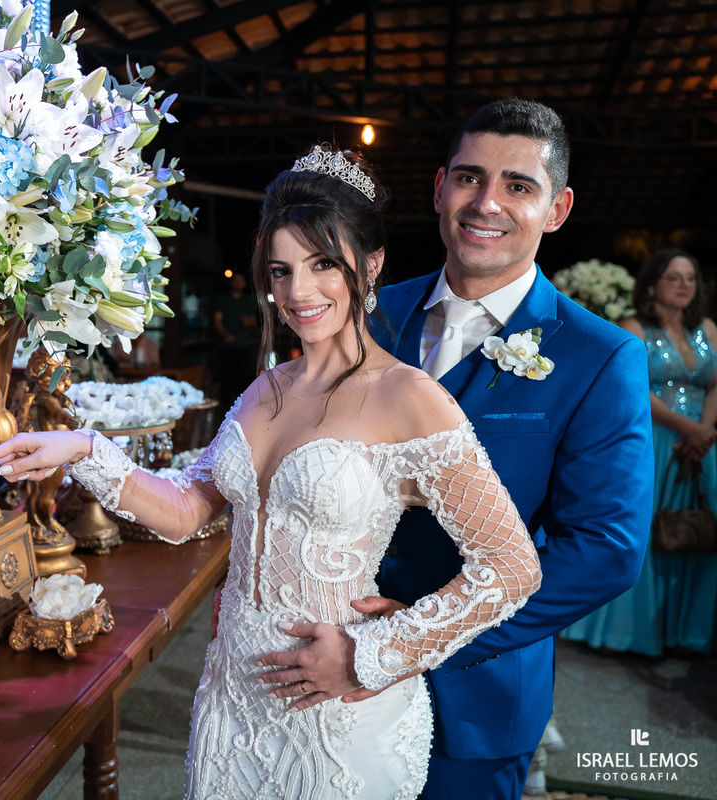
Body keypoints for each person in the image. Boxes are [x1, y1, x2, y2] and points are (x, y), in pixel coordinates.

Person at [0, 144, 543, 799]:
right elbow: (187, 510)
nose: (298, 292)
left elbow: (512, 566)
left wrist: (376, 652)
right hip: (233, 698)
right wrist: (83, 449)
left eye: (322, 264)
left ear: (371, 263)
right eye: (280, 270)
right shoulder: (264, 390)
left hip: (337, 714)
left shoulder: (409, 397)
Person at [261, 98, 653, 800]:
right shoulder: (368, 312)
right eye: (470, 177)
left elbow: (605, 549)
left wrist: (406, 640)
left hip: (474, 695)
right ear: (441, 188)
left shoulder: (600, 357)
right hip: (320, 659)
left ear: (557, 209)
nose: (487, 203)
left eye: (518, 186)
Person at [561, 249, 717, 655]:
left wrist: (704, 429)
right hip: (656, 440)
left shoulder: (708, 328)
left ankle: (685, 632)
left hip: (702, 445)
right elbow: (635, 389)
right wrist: (687, 428)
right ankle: (635, 632)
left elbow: (715, 383)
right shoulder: (633, 328)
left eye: (690, 278)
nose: (684, 285)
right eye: (674, 277)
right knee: (647, 531)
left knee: (699, 529)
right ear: (652, 284)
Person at [211, 271, 259, 412]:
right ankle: (224, 408)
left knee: (243, 377)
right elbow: (217, 320)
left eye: (241, 280)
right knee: (225, 375)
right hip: (226, 345)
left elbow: (254, 320)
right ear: (231, 282)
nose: (238, 283)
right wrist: (225, 334)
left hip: (244, 344)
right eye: (236, 280)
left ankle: (242, 408)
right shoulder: (222, 298)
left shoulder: (248, 300)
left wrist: (248, 321)